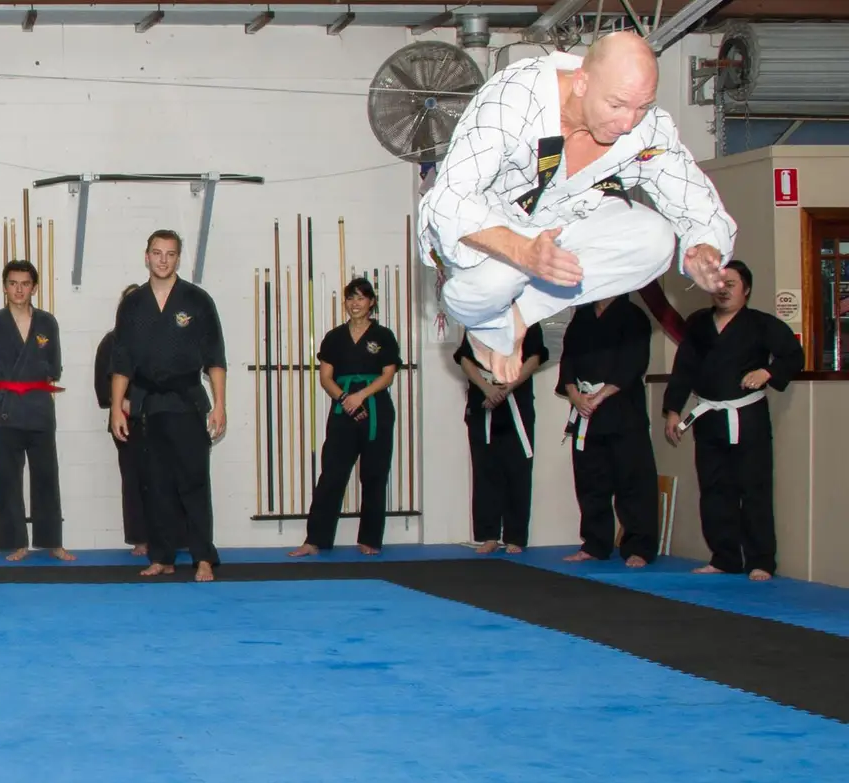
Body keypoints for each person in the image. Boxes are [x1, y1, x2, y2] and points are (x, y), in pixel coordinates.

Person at [417, 31, 736, 385]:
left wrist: (704, 247)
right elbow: (450, 200)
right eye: (616, 105)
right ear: (582, 82)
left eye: (643, 106)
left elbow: (695, 200)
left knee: (656, 240)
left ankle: (519, 316)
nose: (628, 122)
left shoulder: (648, 129)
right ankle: (486, 325)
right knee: (497, 281)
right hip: (490, 234)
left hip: (564, 223)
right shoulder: (515, 97)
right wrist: (524, 252)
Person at [664, 261, 802, 581]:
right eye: (719, 283)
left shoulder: (762, 324)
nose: (723, 290)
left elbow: (793, 355)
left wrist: (767, 371)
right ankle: (724, 557)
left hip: (748, 417)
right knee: (714, 489)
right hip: (709, 418)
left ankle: (761, 561)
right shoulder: (698, 324)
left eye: (731, 284)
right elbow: (684, 368)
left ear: (746, 289)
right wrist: (673, 410)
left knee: (753, 489)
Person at [109, 230, 227, 582]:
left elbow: (215, 358)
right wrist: (116, 408)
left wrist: (220, 405)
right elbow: (122, 361)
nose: (163, 260)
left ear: (178, 258)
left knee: (193, 482)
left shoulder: (197, 300)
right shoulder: (133, 304)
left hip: (186, 401)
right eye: (157, 253)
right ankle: (162, 557)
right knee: (154, 484)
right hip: (147, 404)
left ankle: (203, 557)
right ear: (146, 256)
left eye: (170, 254)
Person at [291, 278, 401, 557]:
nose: (355, 303)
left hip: (375, 408)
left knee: (374, 475)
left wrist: (360, 396)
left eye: (361, 298)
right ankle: (315, 539)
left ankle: (370, 539)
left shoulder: (383, 335)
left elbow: (388, 375)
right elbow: (325, 377)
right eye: (350, 298)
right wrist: (345, 399)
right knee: (331, 475)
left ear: (371, 302)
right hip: (343, 410)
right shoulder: (334, 337)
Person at [0, 259, 70, 562]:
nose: (19, 289)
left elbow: (53, 369)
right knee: (8, 480)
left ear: (34, 288)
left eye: (25, 284)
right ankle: (15, 542)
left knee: (47, 477)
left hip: (39, 408)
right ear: (4, 287)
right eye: (13, 283)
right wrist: (5, 394)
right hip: (7, 410)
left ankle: (52, 541)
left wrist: (30, 391)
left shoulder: (47, 323)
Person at [557, 293, 659, 567]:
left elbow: (633, 363)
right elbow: (568, 359)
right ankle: (595, 543)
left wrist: (599, 397)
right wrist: (574, 395)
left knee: (633, 481)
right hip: (586, 410)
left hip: (624, 410)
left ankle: (639, 547)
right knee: (591, 481)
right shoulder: (582, 316)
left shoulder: (634, 316)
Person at [455, 322, 548, 554]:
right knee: (485, 469)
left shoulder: (527, 320)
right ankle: (489, 535)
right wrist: (487, 388)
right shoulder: (478, 319)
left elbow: (534, 357)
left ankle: (515, 536)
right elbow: (465, 358)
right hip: (483, 400)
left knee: (518, 470)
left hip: (516, 399)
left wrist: (507, 387)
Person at [95, 284, 146, 556]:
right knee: (134, 479)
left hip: (158, 417)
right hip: (125, 420)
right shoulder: (111, 342)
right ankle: (140, 539)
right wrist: (123, 402)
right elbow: (102, 387)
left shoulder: (159, 338)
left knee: (165, 479)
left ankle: (169, 536)